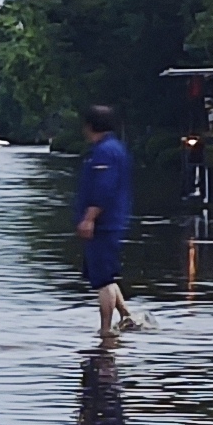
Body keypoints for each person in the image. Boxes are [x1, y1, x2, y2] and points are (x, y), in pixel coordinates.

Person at [73, 102, 136, 336]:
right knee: (104, 273)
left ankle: (106, 330)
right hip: (111, 222)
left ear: (89, 126)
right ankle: (127, 317)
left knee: (103, 279)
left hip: (104, 224)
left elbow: (103, 188)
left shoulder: (104, 153)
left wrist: (89, 218)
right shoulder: (114, 148)